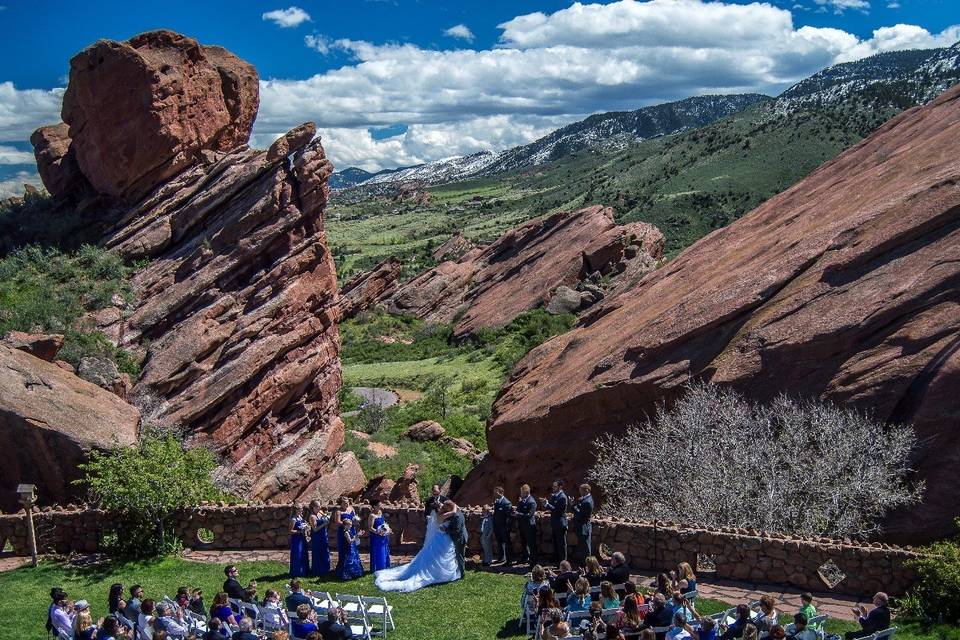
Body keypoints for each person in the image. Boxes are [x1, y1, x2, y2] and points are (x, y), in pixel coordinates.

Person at [374, 498, 463, 592]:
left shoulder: (443, 514)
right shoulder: (441, 516)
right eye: (441, 505)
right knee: (437, 555)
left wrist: (451, 505)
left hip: (445, 539)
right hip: (441, 538)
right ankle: (436, 573)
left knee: (440, 556)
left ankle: (439, 572)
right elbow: (454, 511)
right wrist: (454, 506)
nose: (441, 506)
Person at [334, 497, 365, 580]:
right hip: (343, 531)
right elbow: (337, 522)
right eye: (344, 503)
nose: (346, 504)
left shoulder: (351, 508)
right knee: (344, 550)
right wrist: (347, 522)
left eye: (347, 502)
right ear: (340, 503)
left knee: (352, 549)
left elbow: (354, 517)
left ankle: (354, 569)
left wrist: (355, 521)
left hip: (352, 530)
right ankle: (344, 571)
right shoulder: (338, 511)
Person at [542, 480, 569, 565]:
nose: (553, 488)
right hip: (554, 523)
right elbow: (551, 507)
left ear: (560, 487)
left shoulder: (562, 497)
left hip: (560, 523)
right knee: (555, 542)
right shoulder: (554, 496)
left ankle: (563, 563)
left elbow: (557, 510)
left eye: (555, 486)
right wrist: (546, 504)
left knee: (561, 544)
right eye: (553, 486)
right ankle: (557, 559)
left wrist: (547, 504)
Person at [516, 483, 538, 567]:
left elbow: (529, 515)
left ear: (526, 492)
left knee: (532, 545)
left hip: (530, 526)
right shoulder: (522, 501)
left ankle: (533, 562)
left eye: (522, 492)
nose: (520, 494)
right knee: (524, 543)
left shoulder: (532, 502)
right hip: (522, 526)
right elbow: (519, 510)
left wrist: (519, 514)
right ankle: (525, 558)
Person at [571, 484, 594, 563]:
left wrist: (573, 505)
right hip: (583, 526)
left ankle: (588, 565)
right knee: (583, 547)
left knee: (586, 548)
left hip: (584, 527)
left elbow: (580, 515)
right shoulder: (586, 499)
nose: (580, 492)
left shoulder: (587, 502)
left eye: (581, 490)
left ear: (586, 490)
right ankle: (585, 565)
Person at [309, 500, 331, 576]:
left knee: (325, 551)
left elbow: (325, 520)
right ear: (313, 507)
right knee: (318, 552)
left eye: (319, 506)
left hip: (323, 535)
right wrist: (324, 524)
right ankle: (318, 570)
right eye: (317, 506)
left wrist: (326, 518)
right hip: (317, 537)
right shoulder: (312, 516)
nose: (319, 508)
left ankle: (325, 569)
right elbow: (314, 529)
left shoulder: (320, 512)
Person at [368, 499, 391, 572]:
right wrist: (378, 532)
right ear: (374, 506)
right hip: (376, 537)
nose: (380, 506)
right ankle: (377, 568)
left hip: (383, 536)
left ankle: (384, 565)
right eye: (379, 505)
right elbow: (370, 528)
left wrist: (388, 529)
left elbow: (383, 523)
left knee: (384, 550)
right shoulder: (372, 516)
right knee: (378, 551)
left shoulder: (380, 512)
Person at [492, 486, 514, 566]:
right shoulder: (497, 502)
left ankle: (509, 561)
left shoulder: (506, 503)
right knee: (499, 543)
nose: (494, 494)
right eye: (494, 492)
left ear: (501, 492)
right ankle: (501, 558)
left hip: (504, 527)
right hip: (497, 527)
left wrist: (508, 527)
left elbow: (509, 517)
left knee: (507, 544)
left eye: (496, 492)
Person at [289, 504, 310, 578]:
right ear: (296, 510)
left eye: (302, 508)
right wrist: (299, 531)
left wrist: (307, 527)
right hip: (296, 539)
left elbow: (304, 526)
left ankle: (304, 570)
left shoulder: (301, 517)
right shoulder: (293, 519)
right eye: (300, 509)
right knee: (297, 554)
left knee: (303, 554)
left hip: (302, 538)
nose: (302, 510)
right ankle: (297, 572)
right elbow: (290, 531)